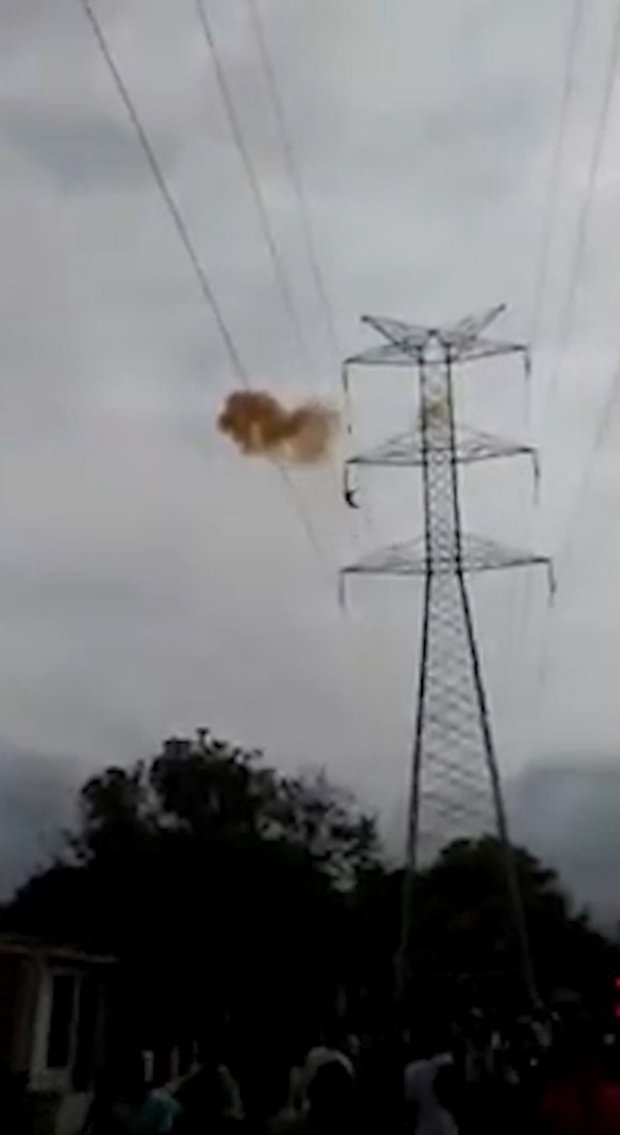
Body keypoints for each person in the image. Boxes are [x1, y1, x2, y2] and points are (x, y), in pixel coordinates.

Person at [403, 1034, 458, 1135]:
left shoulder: (413, 1069)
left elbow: (410, 1104)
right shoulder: (445, 1063)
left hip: (427, 1127)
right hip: (446, 1126)